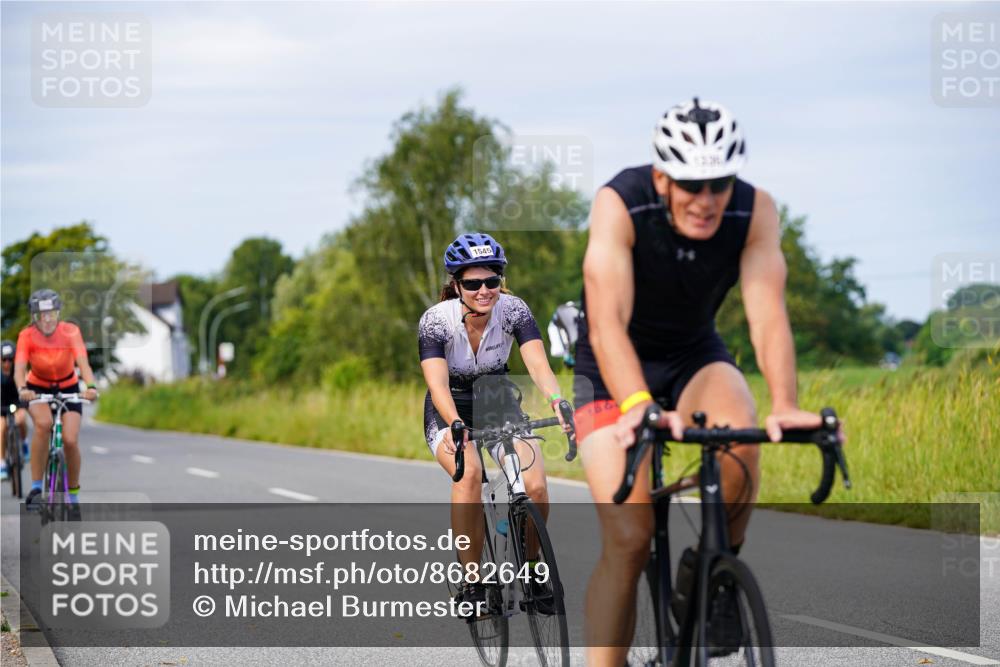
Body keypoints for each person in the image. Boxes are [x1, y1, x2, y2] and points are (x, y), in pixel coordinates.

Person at [573, 98, 827, 663]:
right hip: (610, 368)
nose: (706, 200)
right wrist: (637, 403)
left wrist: (785, 403)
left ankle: (712, 572)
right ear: (662, 177)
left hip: (693, 354)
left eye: (720, 184)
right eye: (691, 184)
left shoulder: (754, 210)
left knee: (741, 442)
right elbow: (607, 323)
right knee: (629, 538)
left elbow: (767, 313)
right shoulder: (620, 203)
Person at [418, 232, 571, 615]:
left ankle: (532, 570)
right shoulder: (436, 321)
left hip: (498, 401)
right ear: (457, 285)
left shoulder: (514, 310)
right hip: (450, 408)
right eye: (473, 284)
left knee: (534, 484)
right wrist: (455, 424)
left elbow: (537, 364)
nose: (484, 290)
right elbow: (437, 384)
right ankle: (472, 582)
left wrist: (557, 401)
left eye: (492, 281)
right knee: (469, 474)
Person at [14, 289, 99, 509]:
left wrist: (90, 387)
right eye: (41, 315)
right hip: (37, 388)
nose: (47, 319)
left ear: (58, 313)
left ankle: (73, 494)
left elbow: (83, 363)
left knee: (70, 440)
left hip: (69, 386)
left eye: (51, 313)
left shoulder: (71, 332)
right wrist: (22, 388)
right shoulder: (26, 336)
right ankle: (36, 488)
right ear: (34, 317)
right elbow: (19, 369)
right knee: (44, 424)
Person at [1, 340, 29, 481]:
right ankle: (2, 463)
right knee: (1, 428)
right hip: (1, 405)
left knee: (21, 420)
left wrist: (25, 401)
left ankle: (24, 443)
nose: (7, 363)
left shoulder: (19, 372)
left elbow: (26, 388)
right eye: (4, 359)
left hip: (17, 403)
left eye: (10, 359)